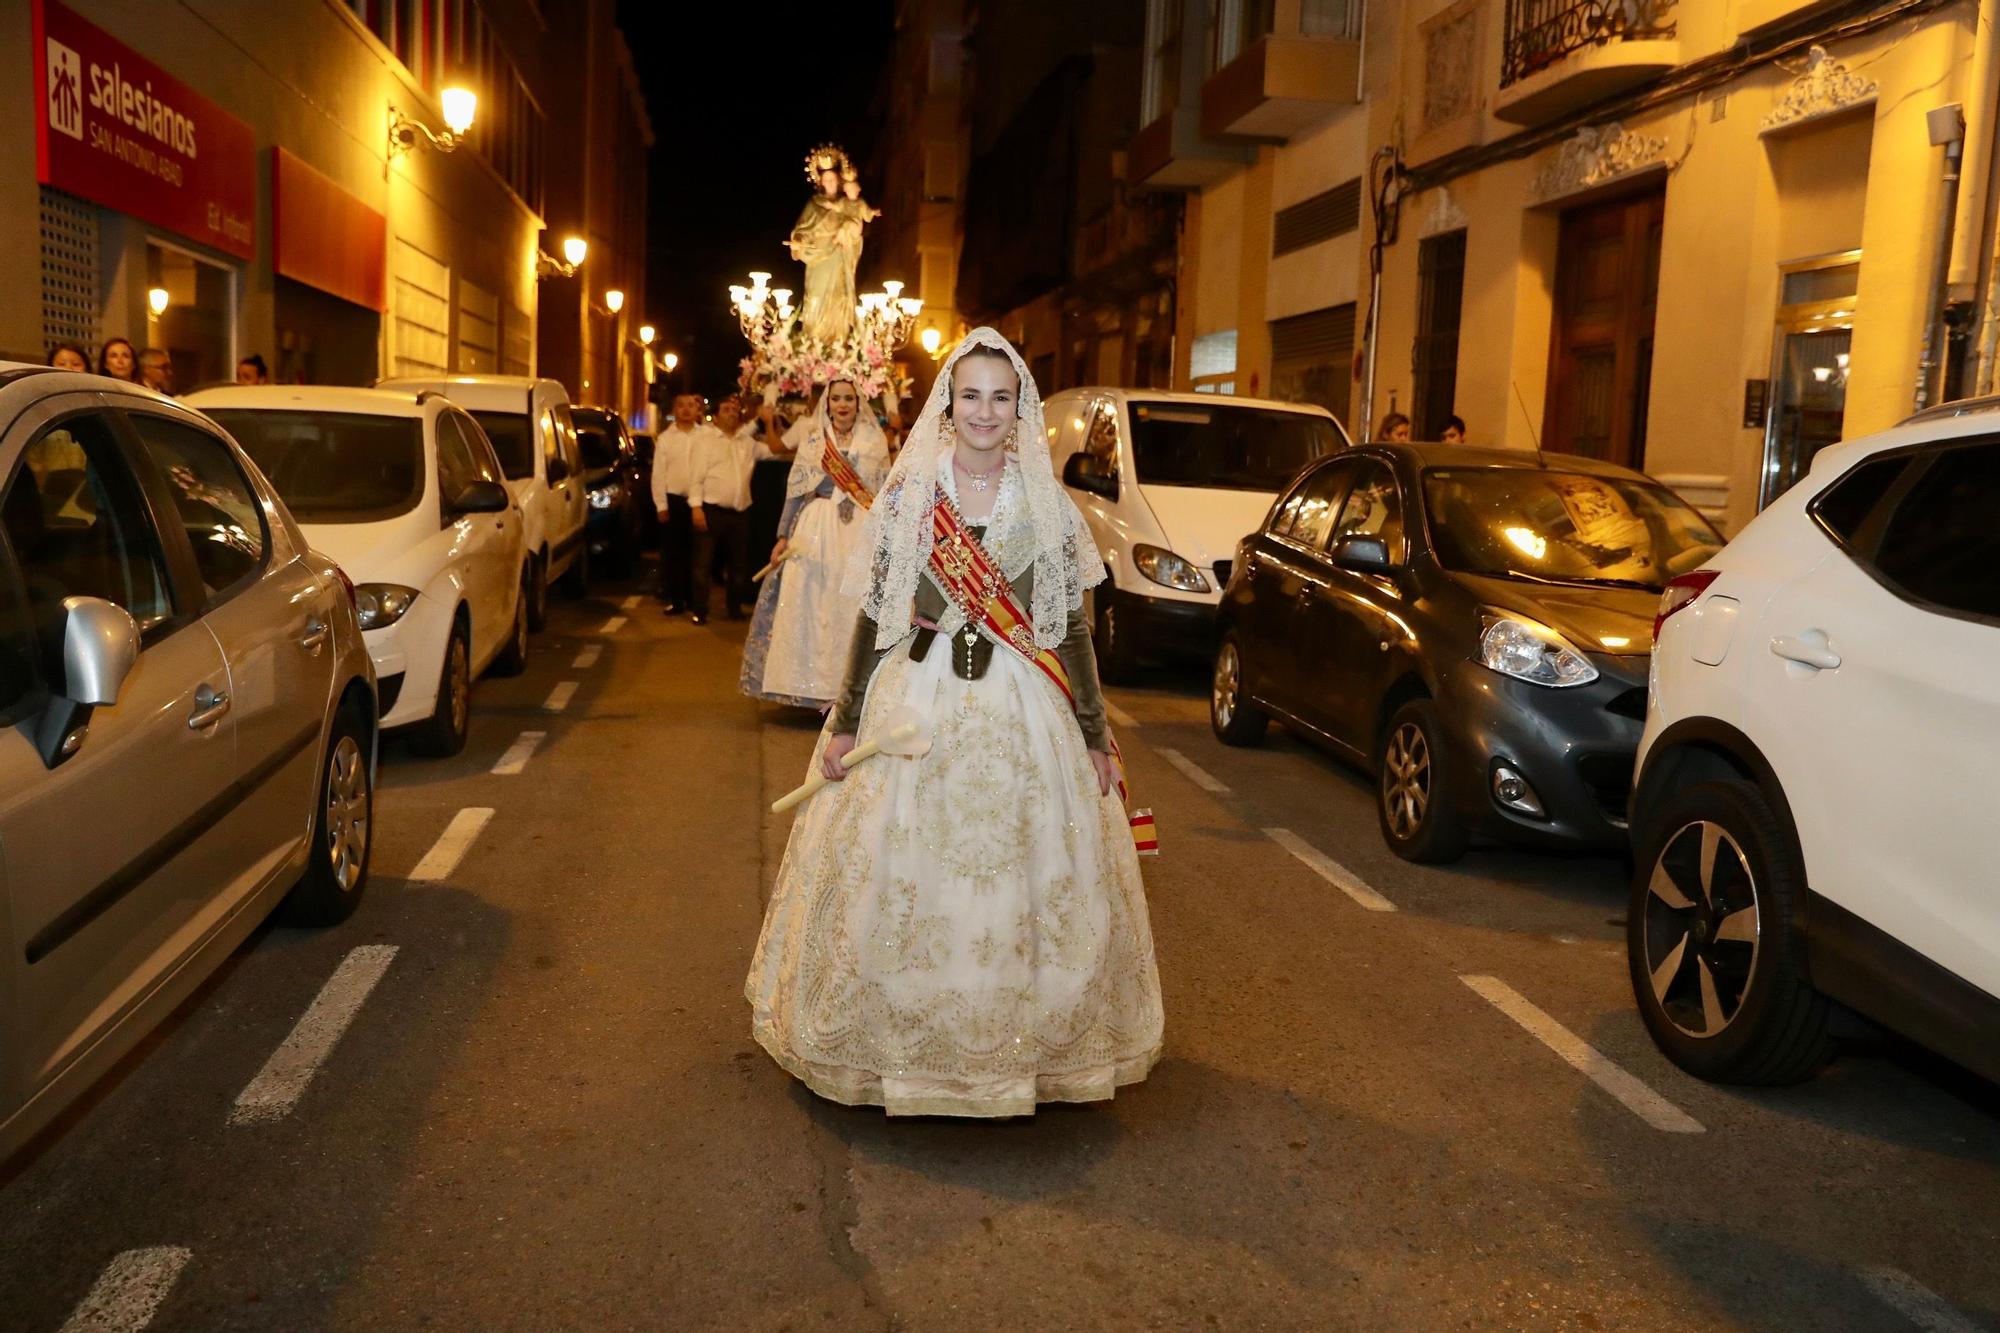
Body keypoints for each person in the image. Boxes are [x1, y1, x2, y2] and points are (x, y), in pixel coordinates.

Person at [745, 327, 1164, 1117]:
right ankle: (900, 1043)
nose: (983, 410)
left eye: (999, 397)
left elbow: (1068, 627)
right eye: (969, 394)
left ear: (1019, 410)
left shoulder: (1044, 499)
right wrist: (845, 723)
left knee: (1021, 878)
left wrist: (1090, 728)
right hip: (918, 697)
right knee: (898, 872)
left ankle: (1019, 1052)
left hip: (1022, 702)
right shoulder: (911, 494)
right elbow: (875, 618)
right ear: (948, 402)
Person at [739, 378, 890, 706]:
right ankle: (812, 688)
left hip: (861, 528)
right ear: (827, 403)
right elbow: (794, 493)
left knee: (853, 603)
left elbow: (882, 494)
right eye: (836, 398)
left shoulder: (874, 439)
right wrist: (782, 536)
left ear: (858, 402)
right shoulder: (813, 439)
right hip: (818, 525)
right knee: (814, 601)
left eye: (848, 398)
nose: (842, 405)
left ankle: (852, 690)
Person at [686, 397, 757, 624]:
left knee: (738, 564)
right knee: (703, 564)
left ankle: (734, 607)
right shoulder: (705, 442)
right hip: (712, 510)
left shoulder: (746, 442)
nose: (731, 413)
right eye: (726, 410)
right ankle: (700, 609)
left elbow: (776, 449)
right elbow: (695, 478)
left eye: (735, 410)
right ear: (715, 417)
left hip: (740, 512)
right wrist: (696, 508)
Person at [650, 393, 711, 614]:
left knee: (699, 554)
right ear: (675, 410)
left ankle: (696, 601)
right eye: (681, 406)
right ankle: (676, 600)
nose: (686, 410)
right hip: (674, 501)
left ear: (698, 410)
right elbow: (658, 474)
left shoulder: (706, 435)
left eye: (690, 406)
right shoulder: (666, 438)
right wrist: (661, 505)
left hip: (701, 501)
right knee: (675, 554)